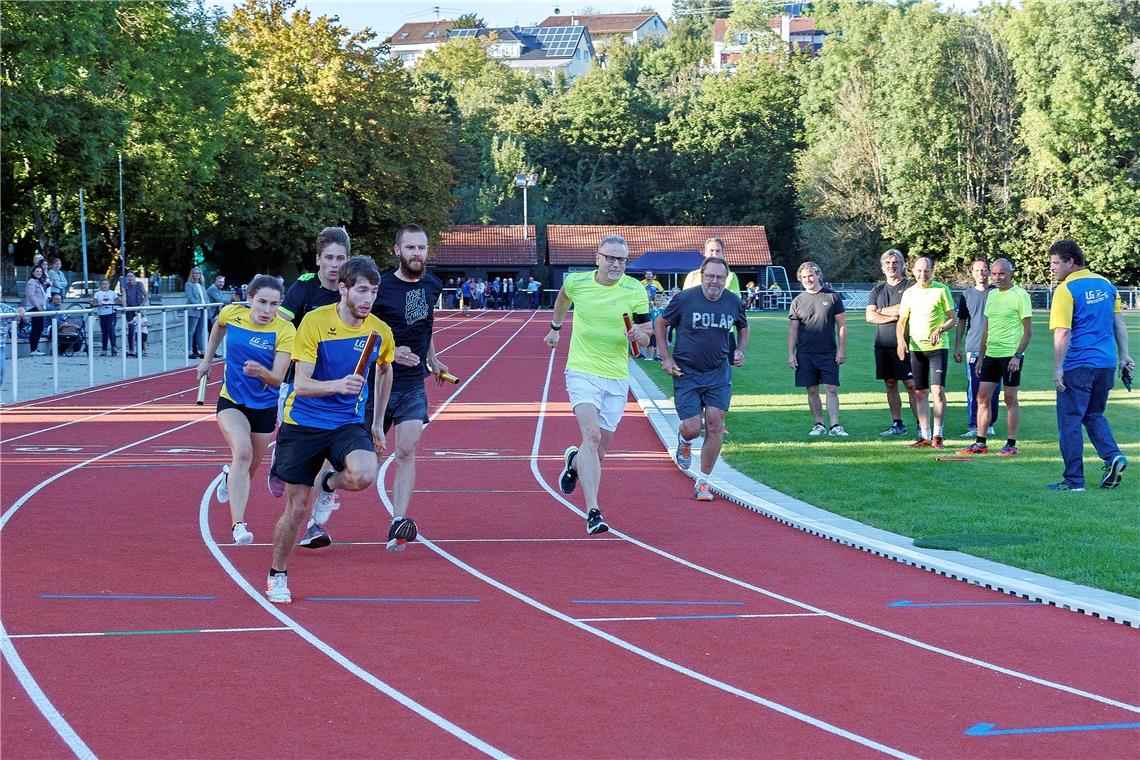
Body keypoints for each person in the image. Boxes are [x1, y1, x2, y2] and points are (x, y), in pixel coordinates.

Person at [265, 256, 395, 604]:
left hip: (347, 423)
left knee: (365, 474)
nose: (368, 299)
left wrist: (378, 422)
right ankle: (277, 573)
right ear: (344, 289)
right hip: (303, 422)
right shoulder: (314, 323)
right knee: (296, 508)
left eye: (374, 291)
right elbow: (302, 385)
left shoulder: (379, 330)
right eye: (362, 290)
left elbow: (385, 369)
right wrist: (338, 384)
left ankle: (328, 481)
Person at [544, 234, 651, 534]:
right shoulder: (578, 282)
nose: (616, 264)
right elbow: (563, 296)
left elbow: (646, 332)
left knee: (598, 451)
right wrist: (556, 327)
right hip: (582, 370)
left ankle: (574, 462)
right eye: (611, 257)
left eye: (622, 259)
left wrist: (638, 337)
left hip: (616, 376)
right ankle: (593, 511)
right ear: (598, 257)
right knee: (590, 436)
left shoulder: (635, 290)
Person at [361, 223, 450, 552]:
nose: (417, 254)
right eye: (410, 248)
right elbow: (361, 332)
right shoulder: (379, 288)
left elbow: (426, 325)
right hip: (379, 383)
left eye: (422, 248)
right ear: (397, 251)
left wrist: (433, 359)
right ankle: (329, 484)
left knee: (406, 450)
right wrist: (390, 351)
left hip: (413, 384)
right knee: (363, 465)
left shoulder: (432, 284)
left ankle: (399, 521)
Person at [198, 275, 296, 545]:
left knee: (248, 470)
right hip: (231, 401)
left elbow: (277, 378)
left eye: (274, 304)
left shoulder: (285, 331)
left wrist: (260, 371)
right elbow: (218, 328)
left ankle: (229, 474)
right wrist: (208, 360)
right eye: (262, 302)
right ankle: (238, 526)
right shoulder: (232, 314)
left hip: (264, 408)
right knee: (242, 452)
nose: (267, 310)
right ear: (250, 299)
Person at [270, 227, 350, 548]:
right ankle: (280, 460)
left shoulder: (350, 291)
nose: (334, 264)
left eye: (340, 259)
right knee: (297, 460)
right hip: (297, 385)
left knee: (327, 458)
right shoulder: (304, 289)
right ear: (318, 259)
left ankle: (314, 524)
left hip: (334, 390)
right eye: (328, 258)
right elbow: (281, 324)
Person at [656, 257, 748, 501]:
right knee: (692, 427)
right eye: (710, 276)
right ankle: (685, 441)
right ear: (702, 275)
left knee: (716, 424)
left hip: (718, 373)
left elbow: (743, 326)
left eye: (719, 277)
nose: (714, 281)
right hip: (686, 372)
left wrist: (740, 350)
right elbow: (661, 322)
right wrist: (666, 358)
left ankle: (704, 482)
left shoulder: (733, 301)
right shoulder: (685, 299)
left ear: (725, 279)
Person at [1047, 240, 1132, 491]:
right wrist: (1124, 356)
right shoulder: (1106, 284)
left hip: (1078, 365)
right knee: (1094, 415)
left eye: (1055, 263)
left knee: (1070, 421)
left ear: (1071, 262)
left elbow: (1063, 332)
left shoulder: (1066, 289)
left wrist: (1058, 368)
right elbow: (1118, 322)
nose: (1052, 268)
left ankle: (1074, 481)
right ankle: (1113, 456)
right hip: (1105, 364)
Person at [957, 258, 1032, 458]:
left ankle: (1011, 444)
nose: (998, 278)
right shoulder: (992, 296)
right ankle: (980, 442)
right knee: (982, 397)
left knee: (1009, 399)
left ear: (1011, 274)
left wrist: (1018, 356)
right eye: (995, 274)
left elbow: (1028, 332)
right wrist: (981, 356)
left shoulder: (1020, 295)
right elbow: (986, 329)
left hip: (1010, 356)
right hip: (991, 355)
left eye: (1002, 273)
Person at [896, 257, 957, 448]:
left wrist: (940, 329)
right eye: (920, 271)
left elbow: (952, 318)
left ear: (932, 270)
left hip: (938, 348)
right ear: (913, 272)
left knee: (937, 391)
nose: (923, 274)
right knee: (920, 393)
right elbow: (902, 321)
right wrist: (900, 341)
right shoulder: (909, 293)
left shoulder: (941, 289)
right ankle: (925, 435)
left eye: (927, 270)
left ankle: (938, 434)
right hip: (917, 348)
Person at [787, 262, 848, 437]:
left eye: (811, 275)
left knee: (831, 388)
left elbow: (842, 326)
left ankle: (835, 426)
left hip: (828, 352)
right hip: (805, 353)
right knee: (812, 390)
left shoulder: (833, 297)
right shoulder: (798, 301)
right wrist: (791, 354)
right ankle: (819, 424)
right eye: (804, 277)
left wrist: (841, 350)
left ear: (818, 275)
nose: (808, 279)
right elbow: (793, 330)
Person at [865, 249, 918, 437]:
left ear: (902, 265)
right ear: (882, 267)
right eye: (887, 263)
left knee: (911, 384)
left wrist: (882, 311)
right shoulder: (877, 289)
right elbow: (870, 317)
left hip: (906, 343)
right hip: (883, 344)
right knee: (890, 383)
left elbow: (907, 310)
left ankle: (922, 424)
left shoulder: (911, 287)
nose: (891, 266)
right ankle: (897, 423)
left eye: (895, 262)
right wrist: (893, 313)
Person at [953, 258, 1000, 438]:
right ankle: (974, 424)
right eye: (977, 270)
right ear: (972, 273)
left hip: (995, 347)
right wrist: (958, 345)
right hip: (973, 347)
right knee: (974, 387)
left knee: (994, 388)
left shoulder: (997, 293)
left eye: (984, 269)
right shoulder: (966, 295)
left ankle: (989, 424)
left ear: (989, 272)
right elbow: (962, 321)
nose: (981, 273)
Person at [24, 264, 50, 356]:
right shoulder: (32, 282)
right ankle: (33, 349)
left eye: (40, 271)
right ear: (33, 273)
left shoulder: (38, 282)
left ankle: (34, 349)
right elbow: (31, 295)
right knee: (38, 328)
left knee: (37, 328)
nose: (39, 273)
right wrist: (38, 306)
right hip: (35, 307)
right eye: (37, 271)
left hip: (39, 307)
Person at [91, 279, 121, 356]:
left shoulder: (113, 293)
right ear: (101, 285)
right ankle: (104, 349)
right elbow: (93, 303)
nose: (105, 285)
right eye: (103, 284)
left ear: (109, 285)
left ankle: (113, 347)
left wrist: (116, 302)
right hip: (102, 315)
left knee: (111, 330)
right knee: (104, 332)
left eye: (106, 284)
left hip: (111, 314)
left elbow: (119, 302)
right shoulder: (98, 293)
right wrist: (98, 304)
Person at [121, 270, 148, 357]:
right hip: (130, 310)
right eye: (128, 276)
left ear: (134, 277)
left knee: (142, 329)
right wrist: (124, 307)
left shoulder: (139, 284)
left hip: (139, 309)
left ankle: (142, 349)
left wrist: (141, 306)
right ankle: (132, 349)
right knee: (131, 328)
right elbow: (124, 297)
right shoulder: (124, 286)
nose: (130, 278)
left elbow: (146, 295)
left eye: (131, 276)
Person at [184, 267, 207, 359]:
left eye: (199, 273)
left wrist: (206, 306)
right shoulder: (188, 284)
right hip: (194, 310)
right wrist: (198, 304)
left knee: (200, 331)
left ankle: (202, 351)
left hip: (202, 310)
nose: (197, 275)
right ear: (192, 274)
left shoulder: (202, 285)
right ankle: (189, 351)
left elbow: (206, 298)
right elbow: (190, 297)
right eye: (195, 273)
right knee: (191, 331)